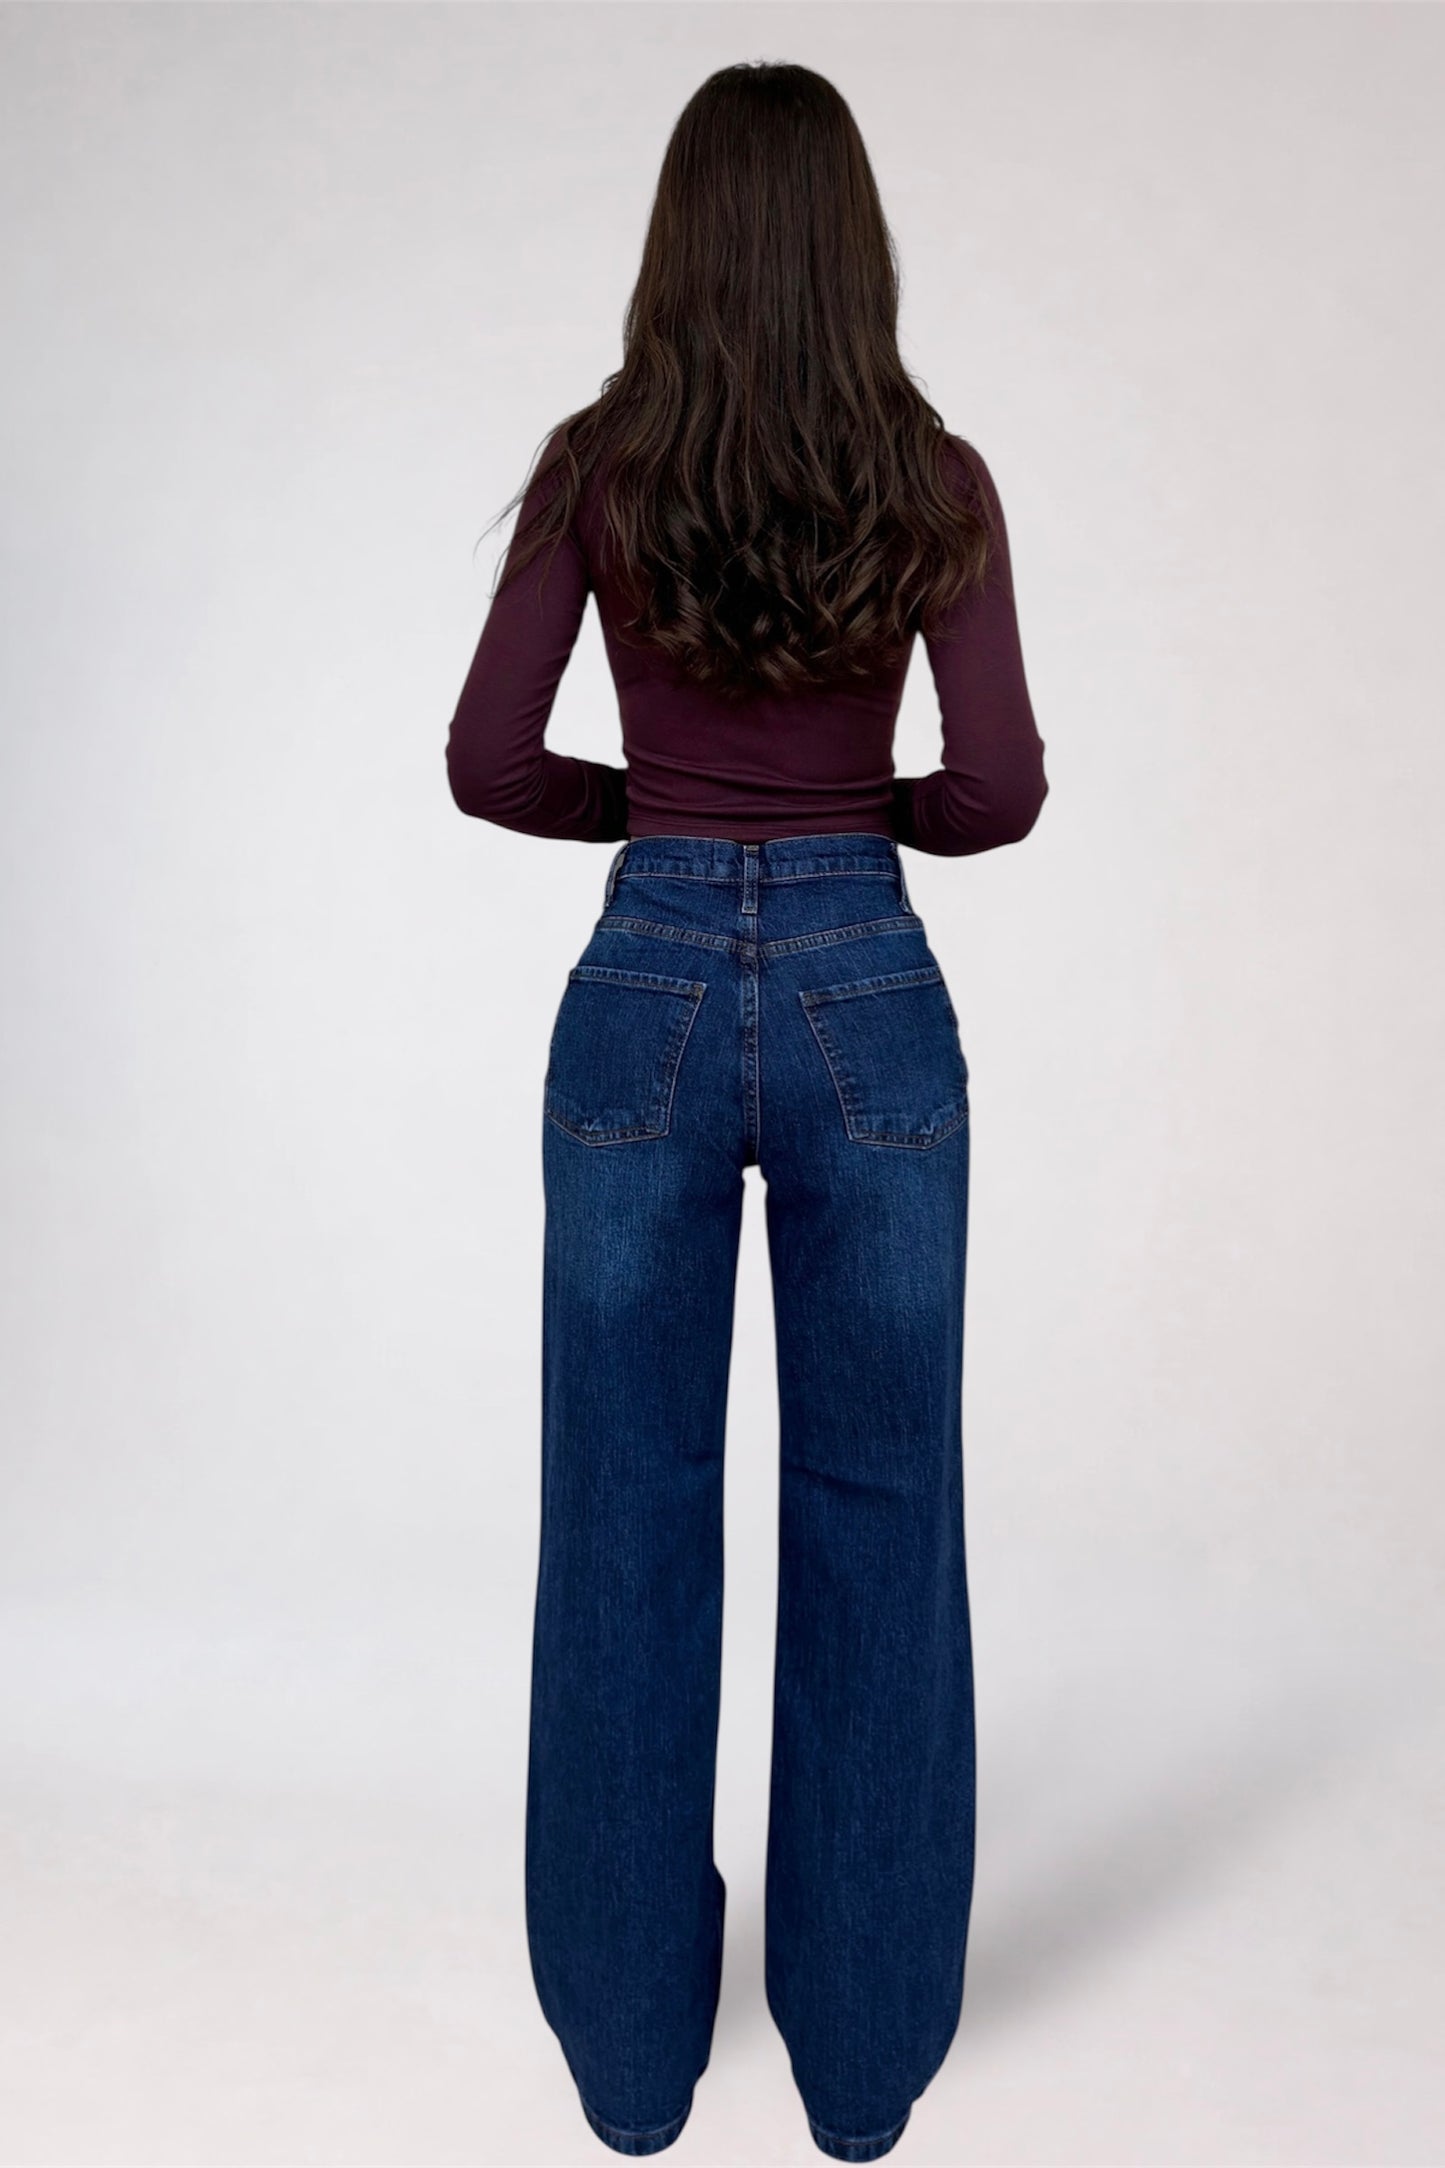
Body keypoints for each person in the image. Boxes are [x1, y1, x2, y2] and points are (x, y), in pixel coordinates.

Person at [444, 59, 1048, 2164]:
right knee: (883, 1508)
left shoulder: (599, 468)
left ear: (677, 246)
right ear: (853, 249)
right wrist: (857, 823)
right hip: (872, 988)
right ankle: (864, 2066)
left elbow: (486, 762)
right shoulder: (931, 474)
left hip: (650, 988)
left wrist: (658, 817)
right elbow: (1000, 791)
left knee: (623, 1511)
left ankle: (630, 2067)